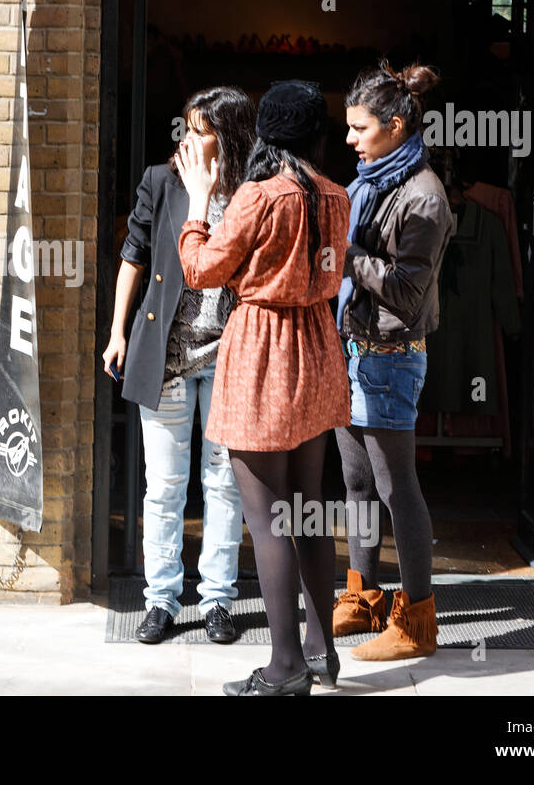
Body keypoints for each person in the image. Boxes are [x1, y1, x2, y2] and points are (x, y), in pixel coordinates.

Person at [176, 80, 352, 695]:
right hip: (318, 347)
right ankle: (321, 652)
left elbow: (200, 271)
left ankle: (284, 670)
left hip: (262, 349)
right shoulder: (337, 195)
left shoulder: (256, 196)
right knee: (308, 508)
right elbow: (331, 273)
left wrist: (198, 204)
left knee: (269, 517)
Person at [103, 86, 254, 645]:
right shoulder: (160, 182)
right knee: (163, 487)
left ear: (229, 137)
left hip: (227, 358)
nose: (187, 138)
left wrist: (210, 196)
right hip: (165, 357)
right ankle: (161, 600)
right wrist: (118, 331)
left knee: (223, 484)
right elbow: (132, 256)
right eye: (186, 128)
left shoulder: (248, 192)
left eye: (201, 130)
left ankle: (216, 600)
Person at [332, 61, 455, 661]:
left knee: (395, 487)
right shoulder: (371, 181)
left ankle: (418, 622)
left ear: (396, 125)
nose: (350, 139)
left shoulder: (424, 198)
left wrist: (346, 254)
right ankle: (363, 597)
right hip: (351, 348)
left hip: (389, 355)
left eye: (359, 128)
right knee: (356, 483)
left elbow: (406, 292)